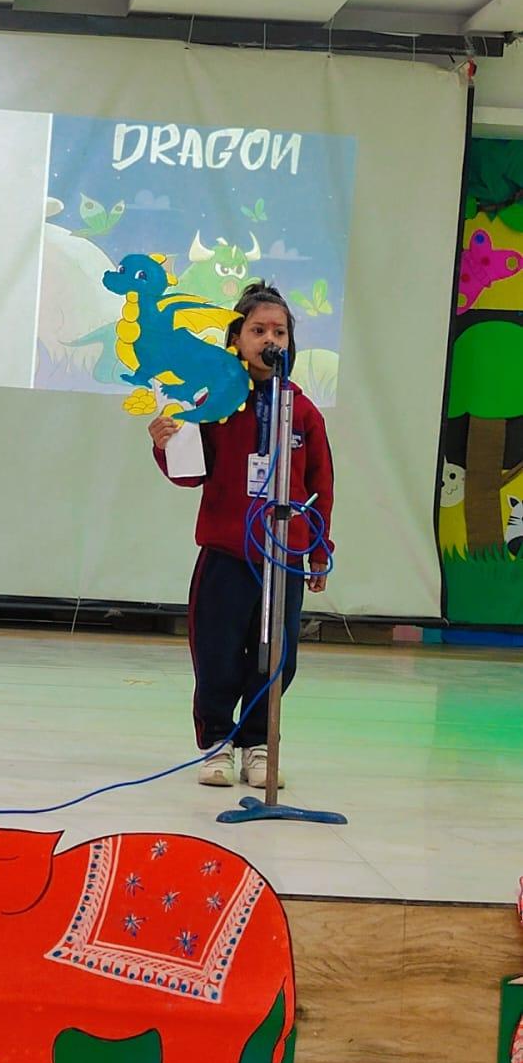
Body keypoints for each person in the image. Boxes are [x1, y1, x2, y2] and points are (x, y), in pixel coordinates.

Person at [148, 280, 334, 791]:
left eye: (280, 332)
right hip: (228, 551)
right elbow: (190, 473)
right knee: (218, 653)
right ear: (236, 339)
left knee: (278, 657)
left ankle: (258, 743)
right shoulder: (214, 401)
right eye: (258, 330)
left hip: (284, 555)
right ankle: (217, 742)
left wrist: (319, 550)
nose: (270, 339)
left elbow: (320, 484)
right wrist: (166, 444)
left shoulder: (303, 411)